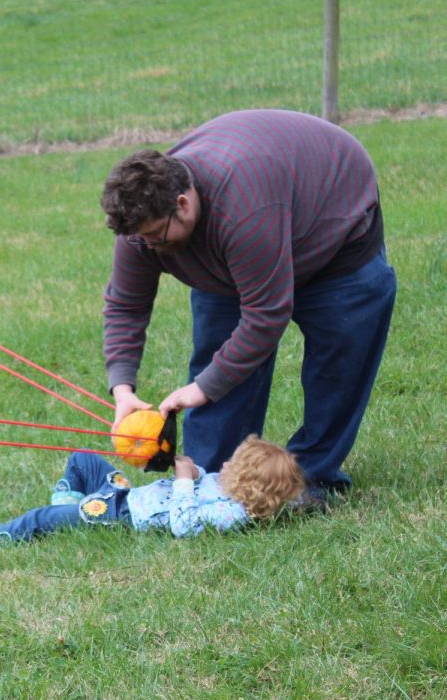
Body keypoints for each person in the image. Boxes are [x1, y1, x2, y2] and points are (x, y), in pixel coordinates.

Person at [100, 109, 397, 499]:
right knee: (219, 355)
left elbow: (266, 316)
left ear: (183, 203)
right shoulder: (143, 225)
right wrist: (123, 389)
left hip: (334, 230)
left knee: (339, 359)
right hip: (241, 245)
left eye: (156, 236)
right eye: (142, 239)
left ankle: (309, 477)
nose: (150, 246)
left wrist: (201, 389)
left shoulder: (242, 211)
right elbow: (126, 306)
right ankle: (207, 479)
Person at [0, 436, 306, 555]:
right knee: (83, 460)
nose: (225, 464)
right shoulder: (225, 487)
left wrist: (183, 481)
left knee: (38, 520)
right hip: (125, 495)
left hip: (121, 515)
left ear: (249, 484)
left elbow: (185, 524)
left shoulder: (232, 513)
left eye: (234, 465)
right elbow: (199, 486)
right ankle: (66, 514)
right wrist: (194, 474)